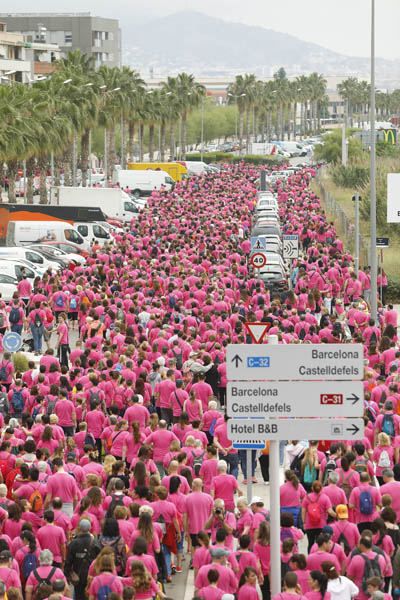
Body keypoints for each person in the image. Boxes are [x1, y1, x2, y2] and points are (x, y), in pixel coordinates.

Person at [64, 519, 100, 600]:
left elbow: (68, 561)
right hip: (91, 576)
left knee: (79, 596)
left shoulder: (74, 543)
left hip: (78, 576)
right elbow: (99, 559)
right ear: (90, 528)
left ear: (79, 528)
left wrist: (67, 574)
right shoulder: (95, 543)